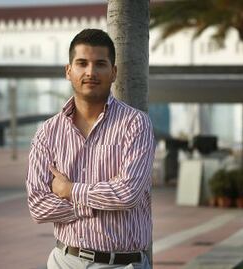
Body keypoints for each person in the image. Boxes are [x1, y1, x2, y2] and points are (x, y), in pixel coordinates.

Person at [26, 28, 155, 269]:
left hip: (123, 265)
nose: (90, 72)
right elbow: (37, 206)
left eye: (100, 64)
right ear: (69, 70)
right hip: (65, 261)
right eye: (82, 63)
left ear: (114, 72)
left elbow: (128, 193)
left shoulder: (135, 124)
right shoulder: (48, 132)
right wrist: (91, 206)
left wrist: (69, 190)